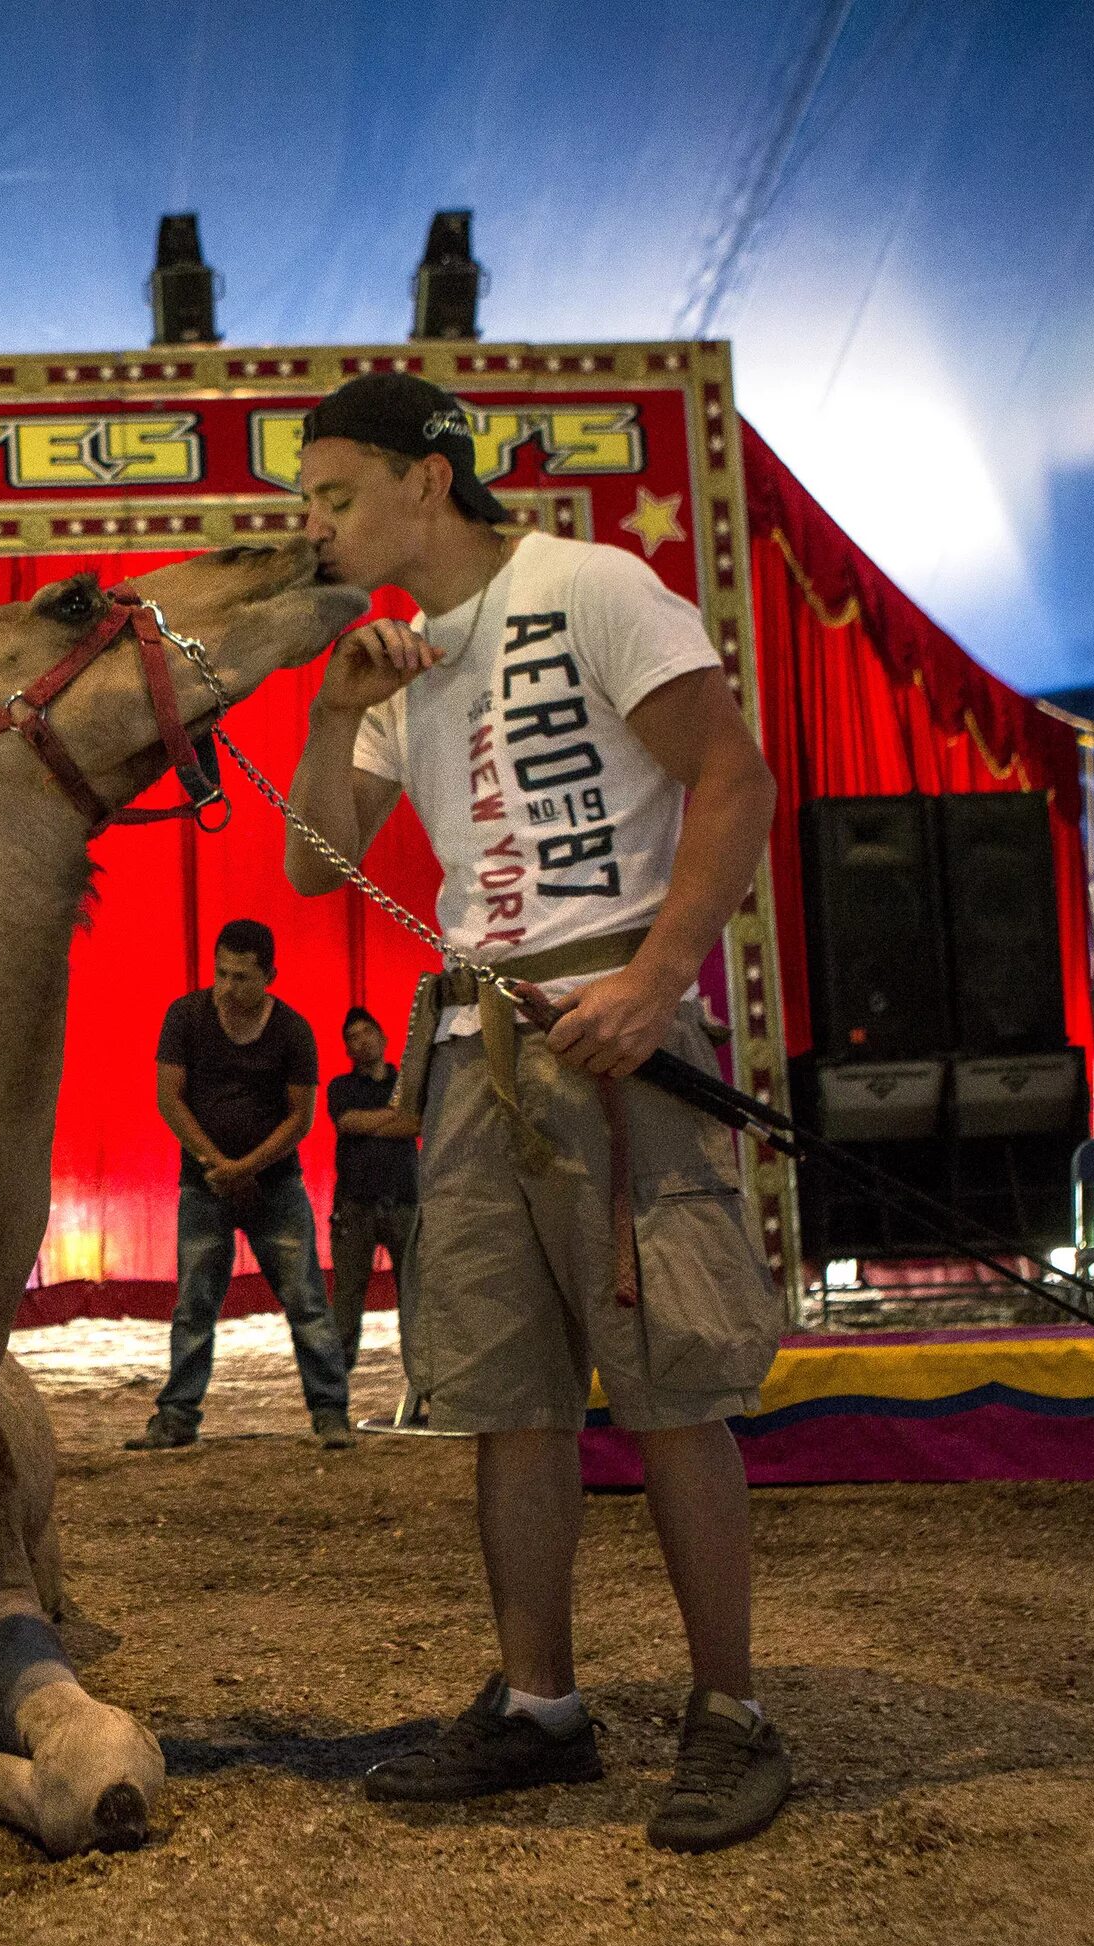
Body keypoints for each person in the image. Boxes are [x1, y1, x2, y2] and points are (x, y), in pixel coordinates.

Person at [281, 370, 791, 1852]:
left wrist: (658, 975)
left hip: (614, 1035)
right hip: (471, 1040)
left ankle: (733, 1714)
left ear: (426, 482)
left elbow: (733, 776)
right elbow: (321, 865)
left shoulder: (592, 584)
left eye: (334, 494)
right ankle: (541, 1707)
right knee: (505, 1395)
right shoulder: (399, 654)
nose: (318, 525)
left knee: (672, 1380)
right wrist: (336, 706)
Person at [127, 917, 355, 1452]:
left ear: (270, 975)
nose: (228, 988)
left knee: (306, 1300)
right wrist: (217, 1164)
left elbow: (300, 1119)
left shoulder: (293, 1031)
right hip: (203, 1182)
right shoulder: (185, 1016)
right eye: (221, 974)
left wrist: (246, 1166)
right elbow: (169, 1098)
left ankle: (330, 1412)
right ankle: (178, 1416)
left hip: (276, 1185)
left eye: (242, 978)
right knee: (193, 1304)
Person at [326, 1005, 422, 1379]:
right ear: (347, 1049)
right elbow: (347, 1122)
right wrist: (391, 1116)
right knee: (347, 1299)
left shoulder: (407, 1083)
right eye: (352, 1038)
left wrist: (373, 1122)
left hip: (403, 1200)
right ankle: (336, 1387)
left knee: (414, 1298)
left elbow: (415, 1124)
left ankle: (421, 1381)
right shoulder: (341, 1087)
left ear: (383, 1038)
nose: (360, 1042)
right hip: (355, 1205)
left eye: (367, 1033)